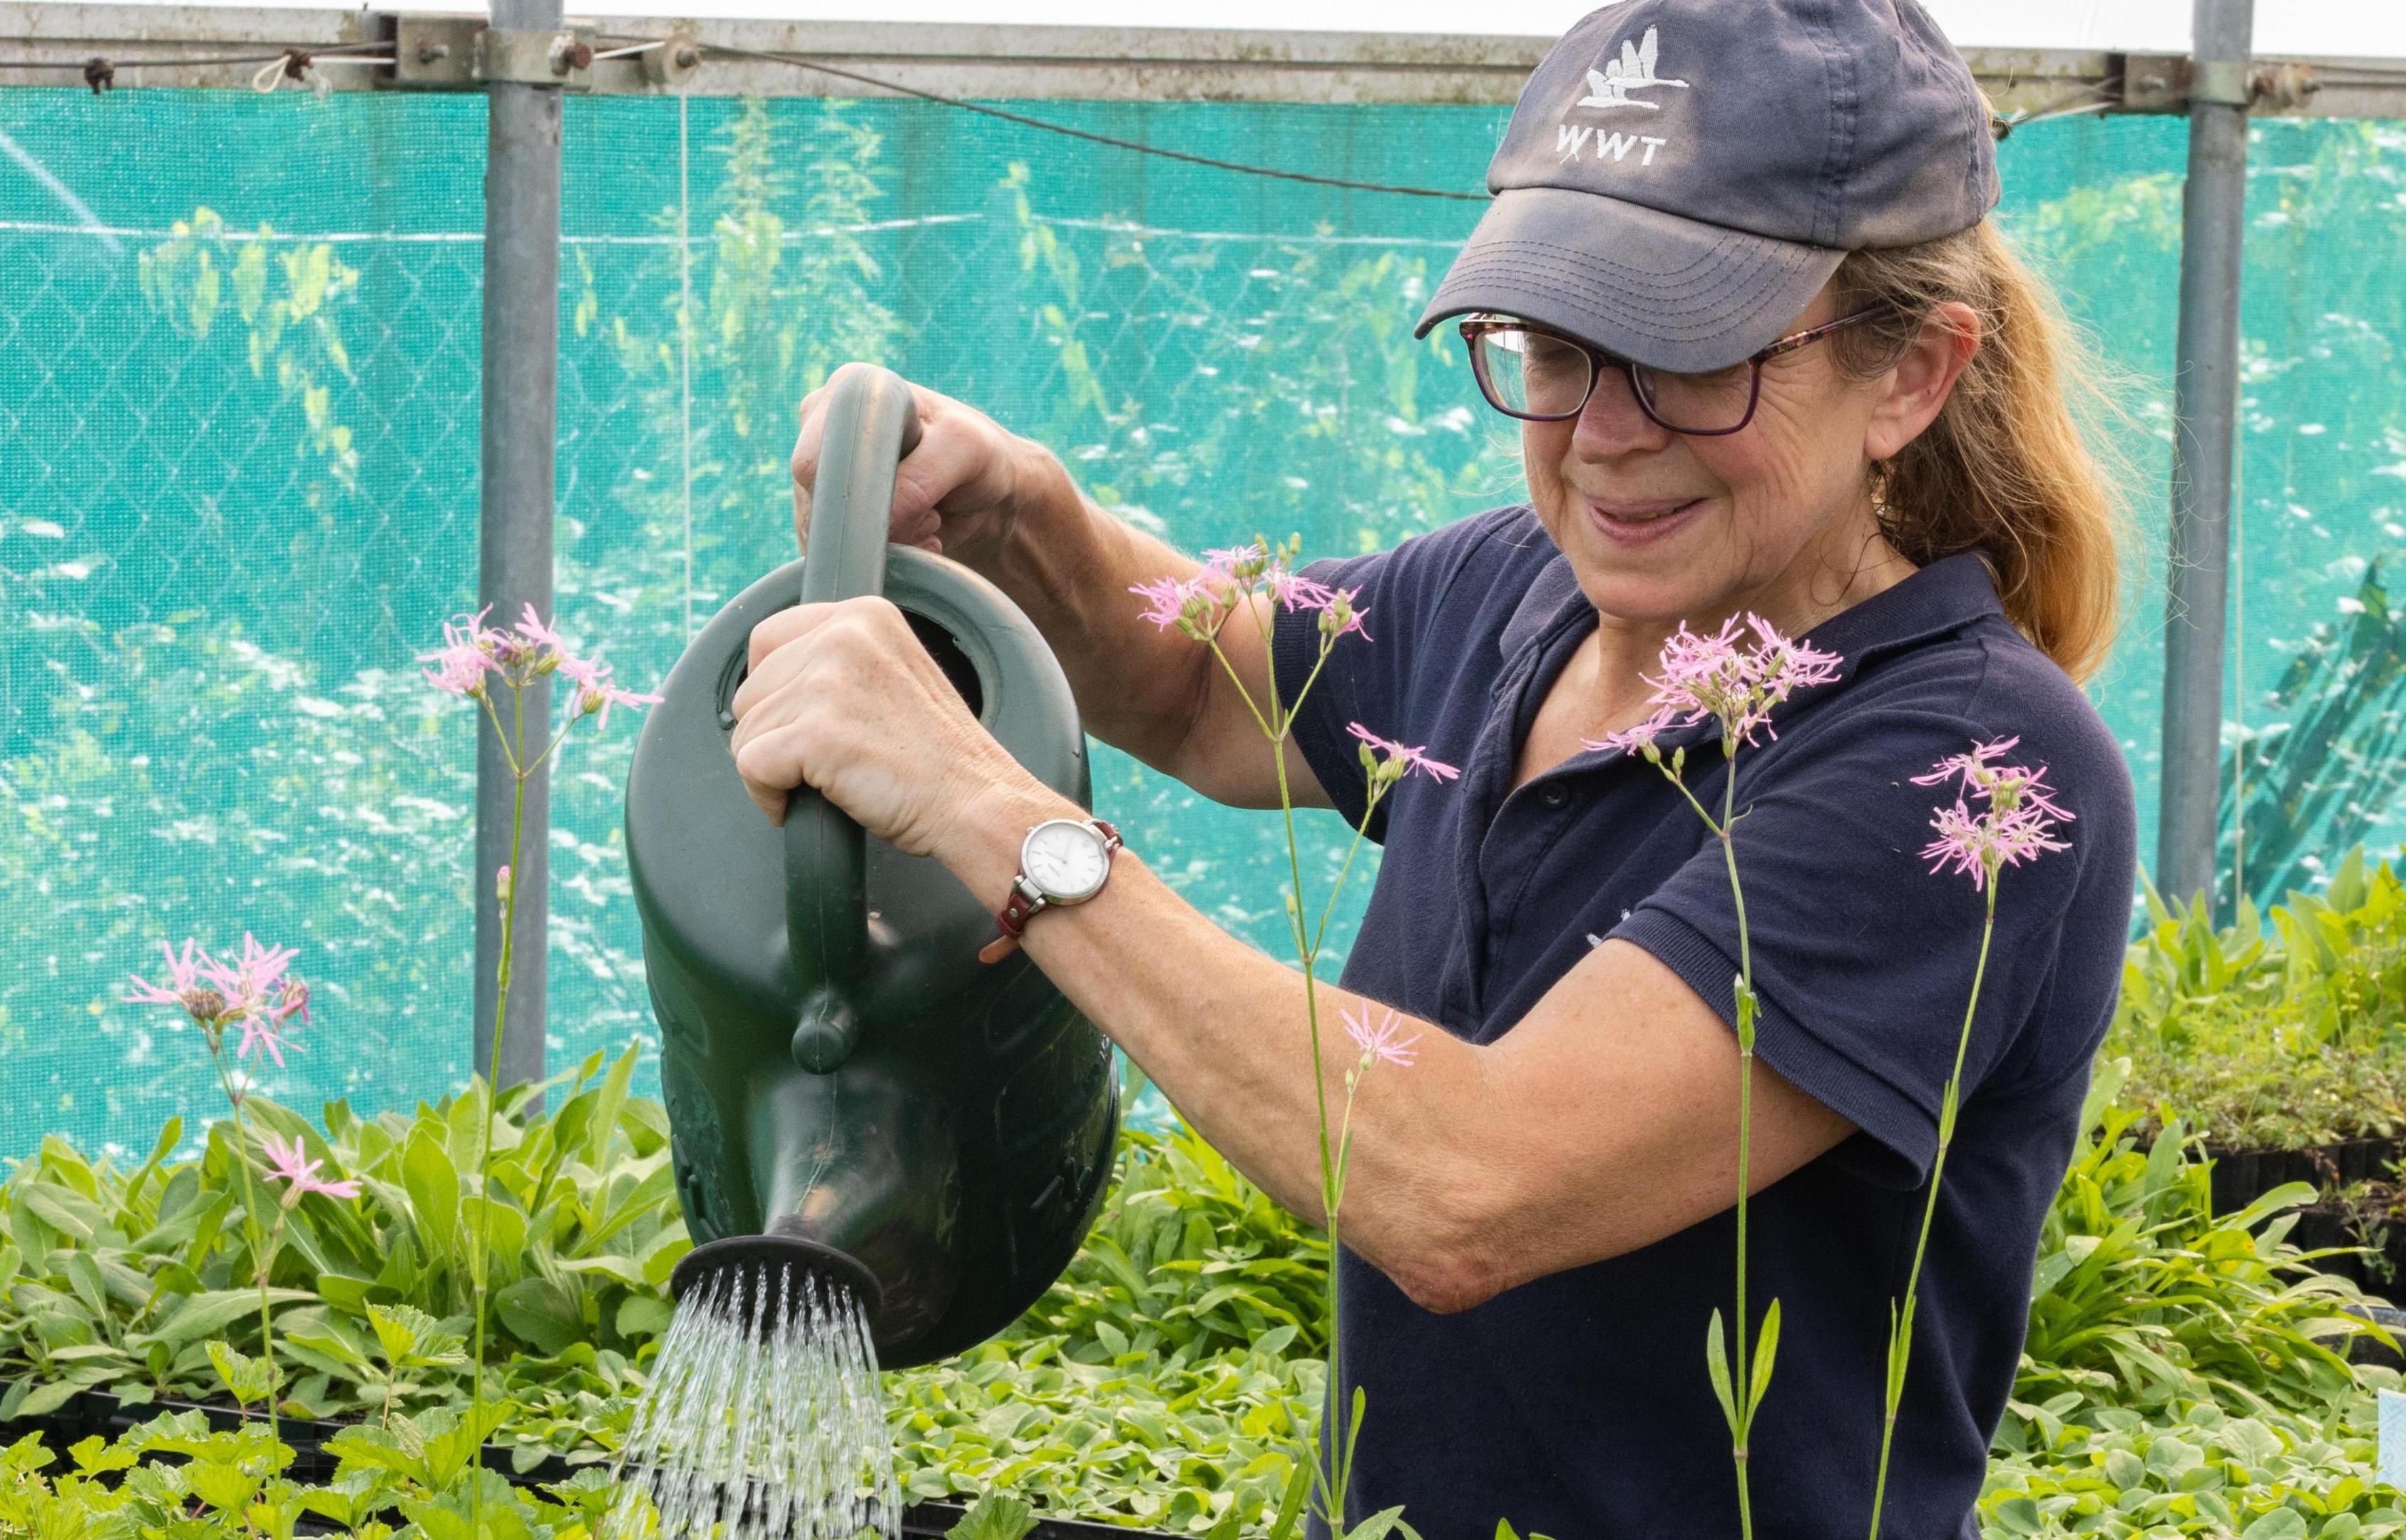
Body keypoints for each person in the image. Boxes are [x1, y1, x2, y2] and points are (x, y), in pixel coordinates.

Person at [724, 0, 2138, 1532]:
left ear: (1911, 377)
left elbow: (1466, 1188)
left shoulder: (1972, 775)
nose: (1602, 435)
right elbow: (1202, 684)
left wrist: (986, 810)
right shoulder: (1520, 592)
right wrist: (1020, 511)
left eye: (1690, 359)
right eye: (1554, 345)